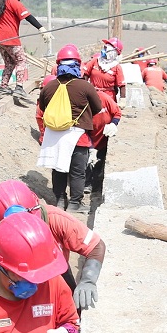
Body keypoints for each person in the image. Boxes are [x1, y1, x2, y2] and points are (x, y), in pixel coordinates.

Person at [0, 179, 106, 309]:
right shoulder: (0, 245)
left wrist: (88, 280)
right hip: (24, 291)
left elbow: (95, 246)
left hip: (57, 276)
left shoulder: (56, 219)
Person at [36, 44, 103, 213]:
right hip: (78, 136)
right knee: (77, 172)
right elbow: (97, 107)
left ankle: (59, 200)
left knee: (58, 169)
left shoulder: (49, 87)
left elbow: (43, 108)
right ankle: (75, 204)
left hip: (54, 137)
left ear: (58, 66)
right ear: (77, 65)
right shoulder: (85, 86)